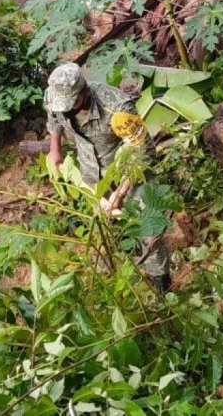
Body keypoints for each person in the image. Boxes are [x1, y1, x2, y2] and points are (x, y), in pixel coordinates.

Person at [44, 62, 171, 292]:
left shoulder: (117, 107)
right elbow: (54, 119)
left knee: (149, 228)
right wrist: (55, 149)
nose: (64, 110)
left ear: (84, 92)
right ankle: (120, 270)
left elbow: (144, 152)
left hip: (128, 172)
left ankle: (162, 285)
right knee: (105, 227)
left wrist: (121, 192)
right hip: (92, 175)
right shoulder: (55, 98)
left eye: (70, 105)